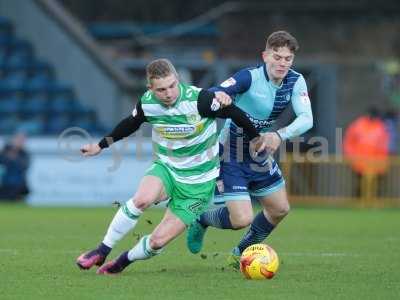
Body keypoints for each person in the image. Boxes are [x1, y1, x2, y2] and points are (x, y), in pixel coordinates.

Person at [76, 58, 267, 275]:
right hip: (167, 168)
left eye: (172, 86)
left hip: (199, 184)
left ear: (178, 80)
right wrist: (100, 146)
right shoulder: (148, 103)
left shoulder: (200, 101)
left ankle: (122, 262)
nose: (168, 93)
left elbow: (234, 113)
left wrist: (255, 137)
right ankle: (101, 250)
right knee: (142, 199)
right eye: (161, 89)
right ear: (150, 88)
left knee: (157, 241)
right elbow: (130, 124)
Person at [186, 30, 314, 269]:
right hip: (231, 152)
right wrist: (221, 95)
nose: (282, 63)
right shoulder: (249, 77)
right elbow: (213, 91)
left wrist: (279, 134)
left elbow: (307, 118)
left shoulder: (296, 81)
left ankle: (239, 253)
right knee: (241, 219)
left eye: (287, 58)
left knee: (279, 209)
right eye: (277, 57)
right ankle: (202, 218)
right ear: (265, 56)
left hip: (259, 153)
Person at [0, 132, 30, 201]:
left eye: (22, 140)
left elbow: (25, 166)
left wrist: (14, 158)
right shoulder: (4, 151)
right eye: (18, 139)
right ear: (13, 140)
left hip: (19, 186)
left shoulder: (24, 153)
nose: (20, 142)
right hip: (4, 184)